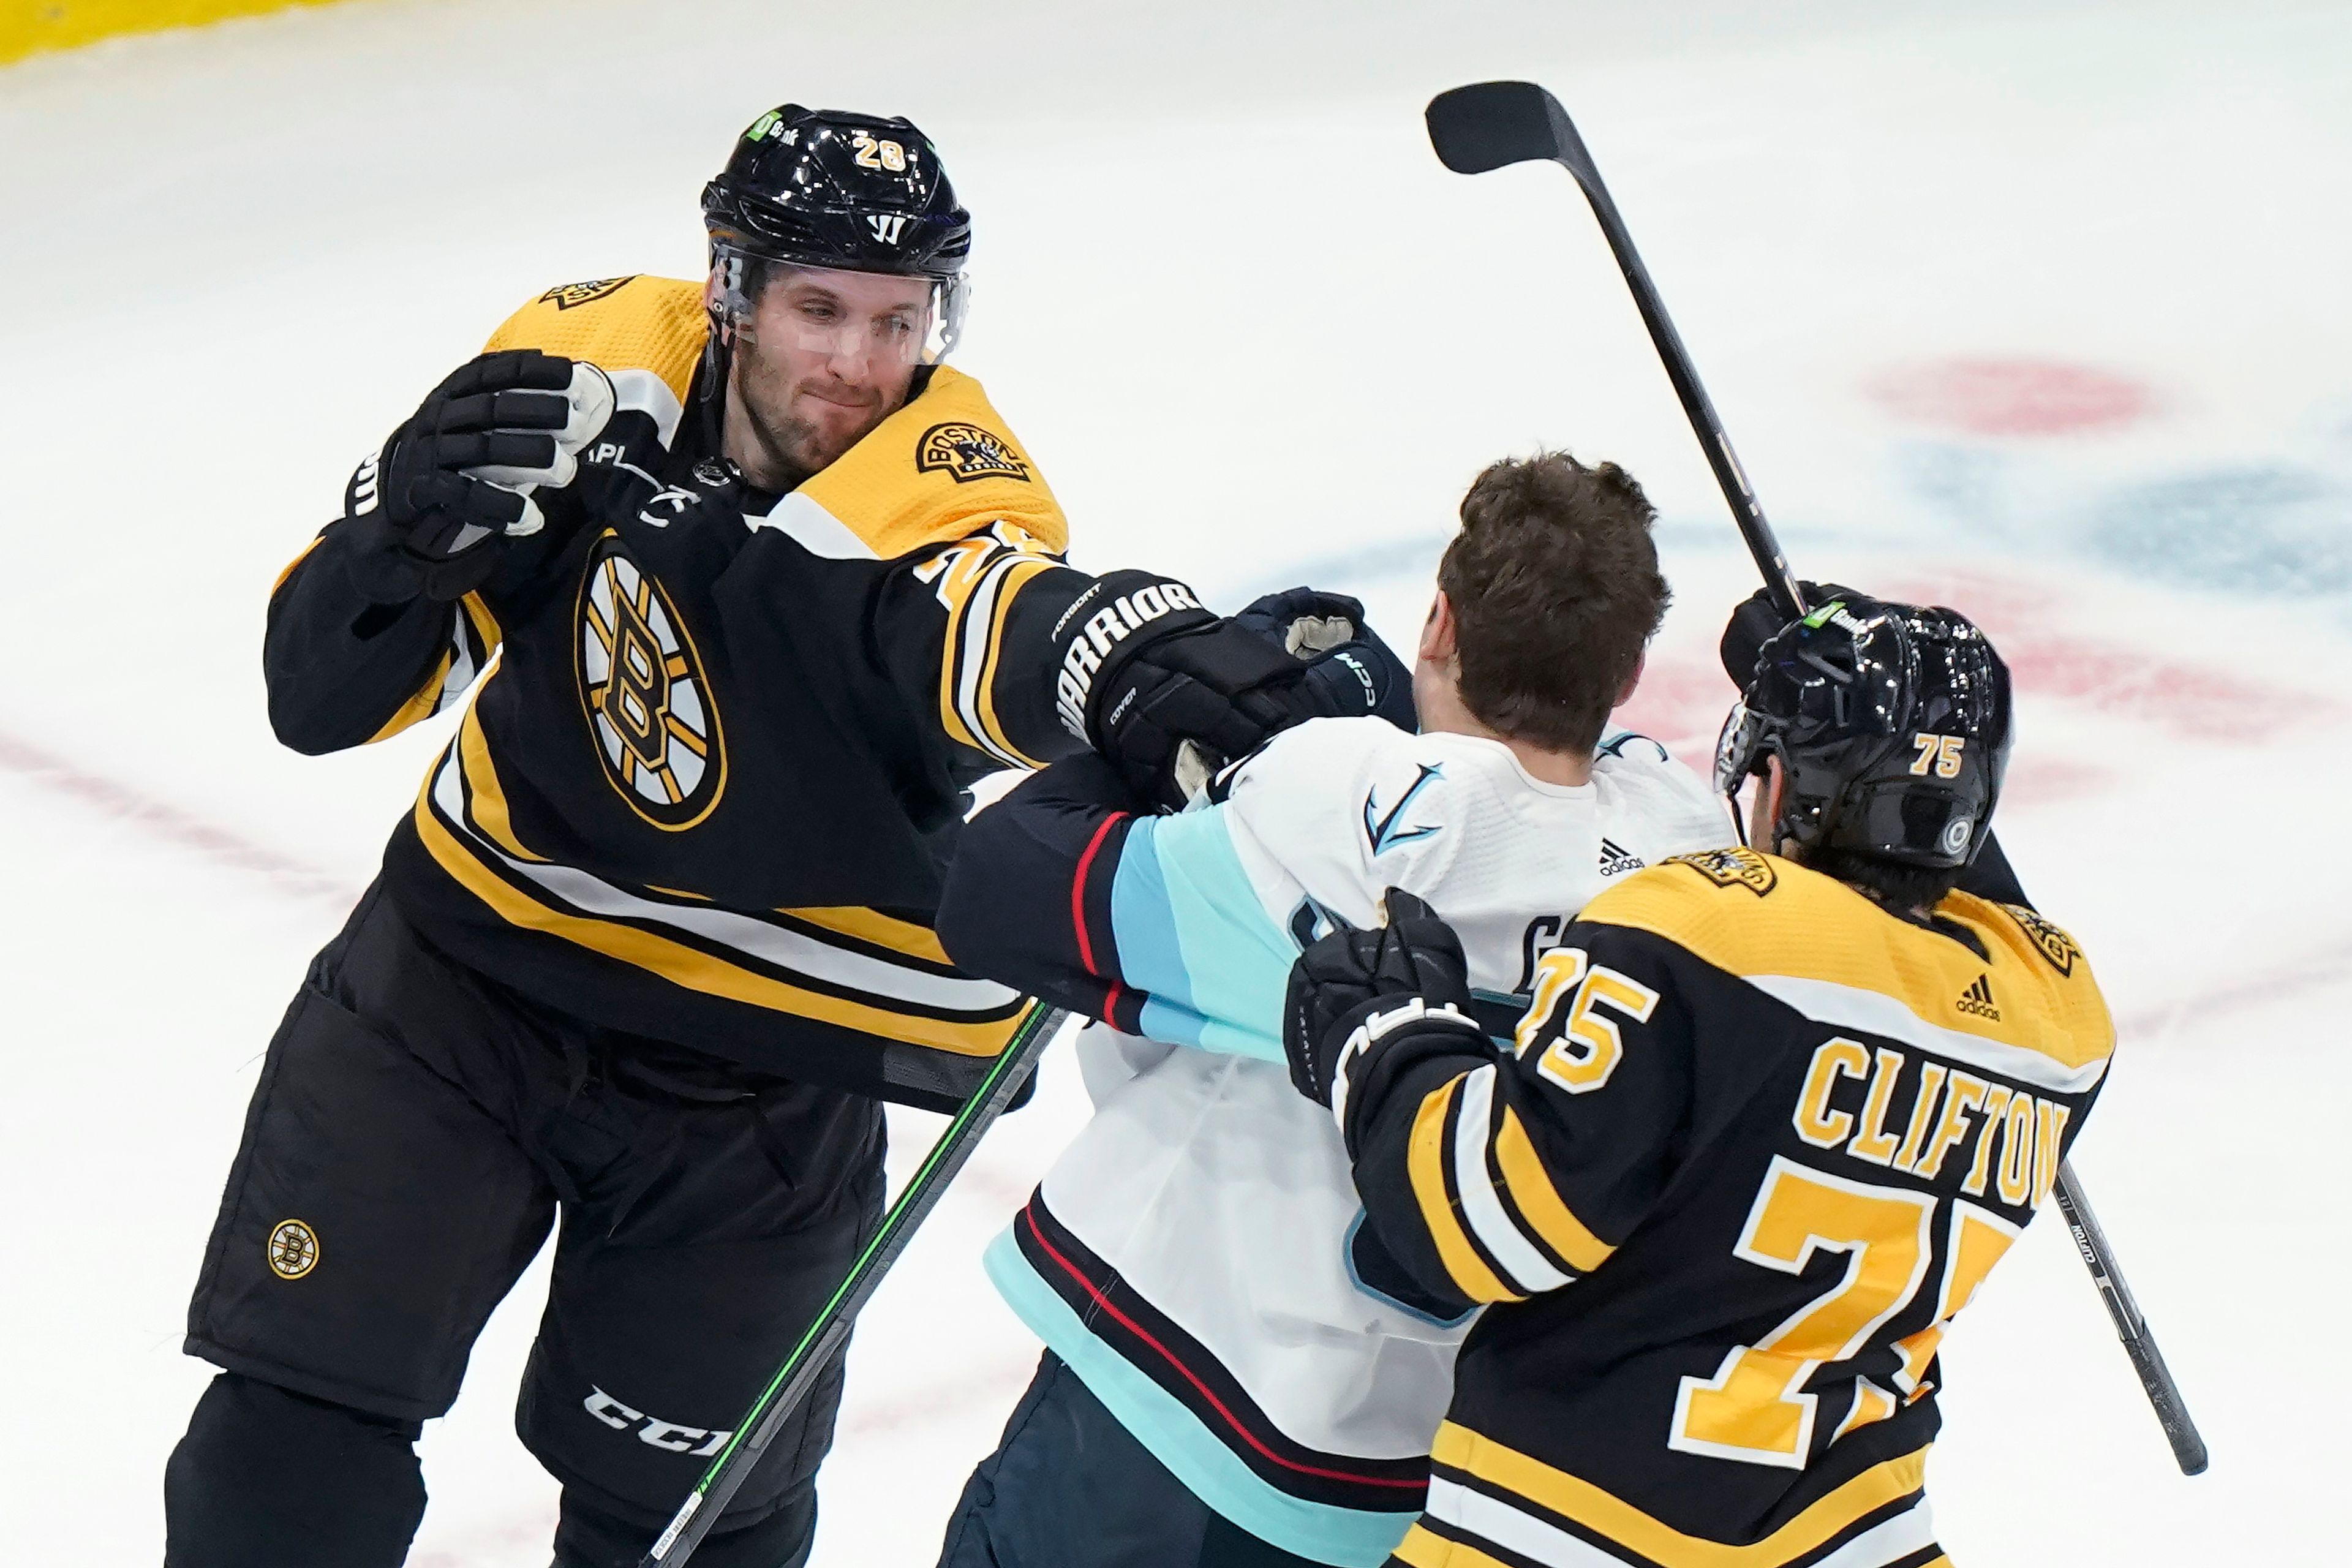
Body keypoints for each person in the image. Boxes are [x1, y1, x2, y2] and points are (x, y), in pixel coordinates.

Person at [167, 104, 1383, 1568]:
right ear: (729, 288)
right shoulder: (592, 362)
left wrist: (1125, 657)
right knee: (288, 1432)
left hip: (772, 1064)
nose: (863, 365)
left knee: (683, 1531)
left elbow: (989, 613)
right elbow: (318, 694)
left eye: (899, 317)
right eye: (820, 309)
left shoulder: (943, 469)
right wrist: (395, 540)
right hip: (467, 979)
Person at [928, 453, 1740, 1567]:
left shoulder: (1352, 806)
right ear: (1630, 670)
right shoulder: (1685, 863)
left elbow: (1003, 887)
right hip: (1431, 1473)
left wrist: (1189, 718)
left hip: (1174, 1392)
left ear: (1439, 619)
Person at [1281, 594, 2114, 1568]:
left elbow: (1484, 1225)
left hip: (1571, 1528)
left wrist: (1393, 1039)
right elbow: (1926, 918)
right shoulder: (2059, 1019)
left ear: (1777, 782)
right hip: (1863, 1537)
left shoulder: (1703, 933)